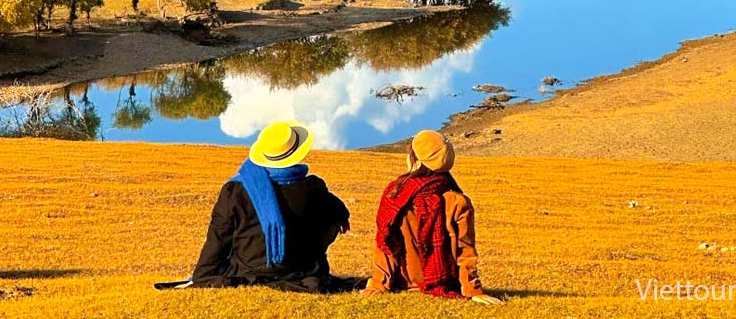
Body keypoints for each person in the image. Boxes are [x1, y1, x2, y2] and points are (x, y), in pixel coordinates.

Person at [179, 121, 351, 293]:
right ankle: (306, 259)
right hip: (299, 269)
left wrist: (204, 274)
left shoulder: (235, 190)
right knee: (328, 217)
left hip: (245, 269)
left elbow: (218, 236)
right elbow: (338, 212)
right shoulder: (313, 188)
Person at [361, 129, 503, 304]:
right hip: (444, 282)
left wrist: (378, 284)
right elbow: (465, 250)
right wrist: (473, 290)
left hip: (401, 282)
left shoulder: (395, 194)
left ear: (415, 159)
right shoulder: (457, 200)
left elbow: (385, 244)